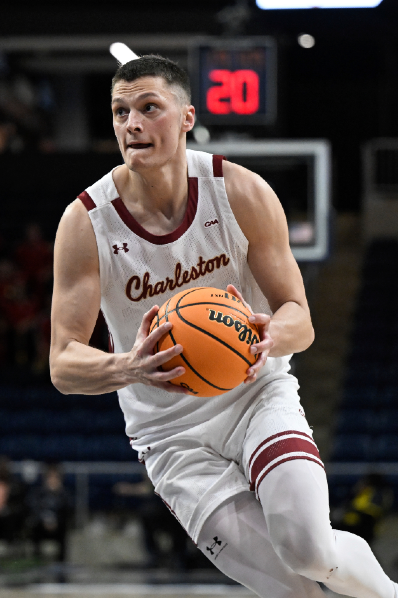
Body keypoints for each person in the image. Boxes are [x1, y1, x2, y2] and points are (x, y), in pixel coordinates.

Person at [48, 54, 398, 598]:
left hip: (256, 395)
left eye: (148, 108)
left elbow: (299, 319)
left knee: (309, 549)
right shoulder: (85, 222)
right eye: (120, 112)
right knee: (293, 590)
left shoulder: (240, 192)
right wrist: (128, 365)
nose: (131, 123)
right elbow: (63, 364)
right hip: (172, 437)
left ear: (187, 117)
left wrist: (269, 336)